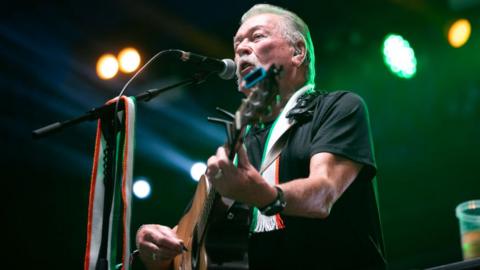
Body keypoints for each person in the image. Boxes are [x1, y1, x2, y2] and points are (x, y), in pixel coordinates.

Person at [136, 4, 386, 270]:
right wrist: (152, 245)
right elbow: (179, 246)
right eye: (237, 45)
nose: (242, 49)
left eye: (257, 37)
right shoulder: (237, 149)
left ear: (298, 51)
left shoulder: (338, 108)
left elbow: (323, 194)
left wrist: (265, 195)